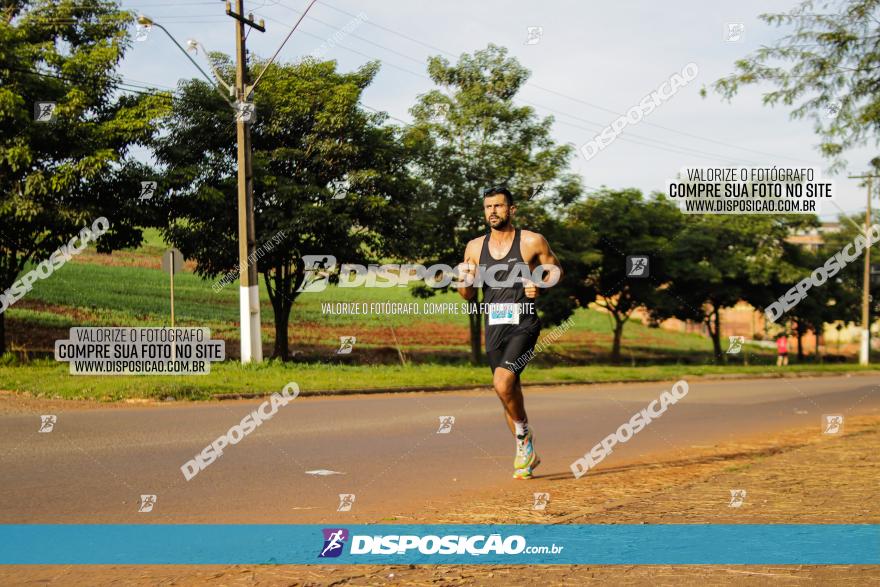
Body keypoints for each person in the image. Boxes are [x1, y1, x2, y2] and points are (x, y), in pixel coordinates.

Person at [457, 186, 562, 479]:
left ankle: (523, 438)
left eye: (499, 206)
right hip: (494, 325)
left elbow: (555, 270)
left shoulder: (531, 241)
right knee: (508, 391)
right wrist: (463, 281)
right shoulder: (474, 248)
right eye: (488, 207)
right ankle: (524, 449)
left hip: (524, 322)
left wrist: (541, 284)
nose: (493, 211)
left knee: (502, 383)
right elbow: (467, 294)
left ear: (511, 210)